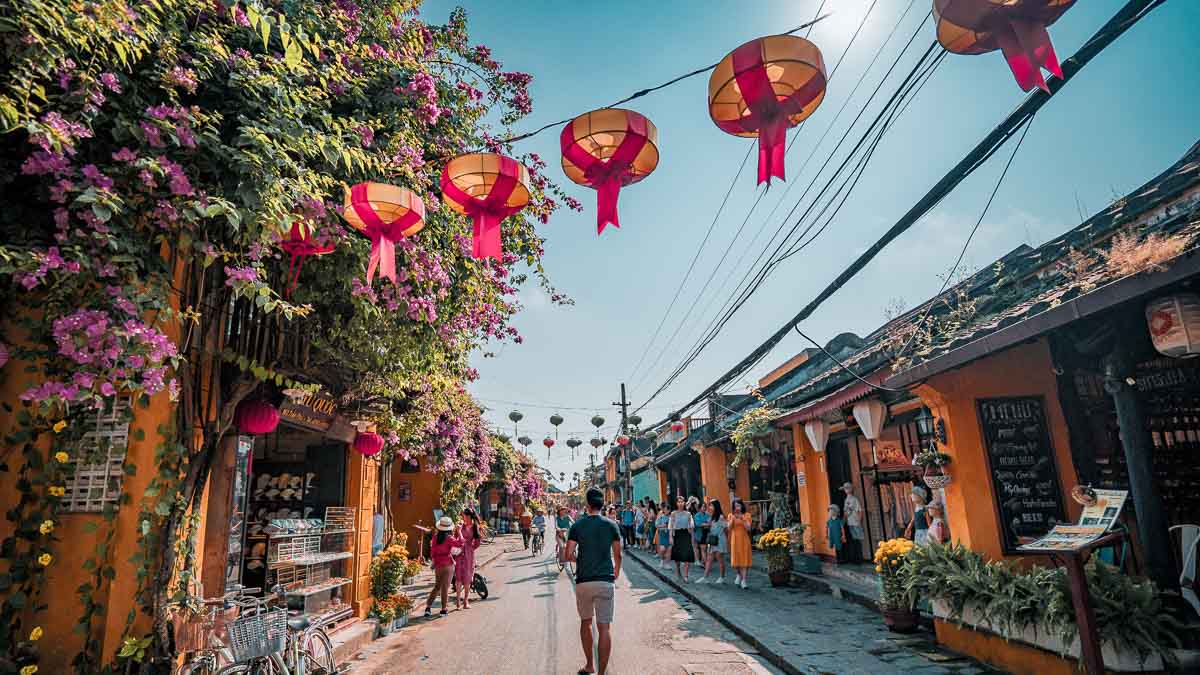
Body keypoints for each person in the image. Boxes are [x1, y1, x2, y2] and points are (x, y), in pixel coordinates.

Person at [566, 487, 621, 675]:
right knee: (604, 627)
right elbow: (618, 554)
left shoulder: (577, 526)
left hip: (583, 581)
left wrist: (579, 560)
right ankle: (601, 673)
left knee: (586, 622)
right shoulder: (612, 525)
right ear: (602, 504)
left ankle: (590, 664)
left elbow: (567, 554)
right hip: (605, 580)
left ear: (587, 505)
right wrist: (616, 571)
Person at [424, 516, 461, 617]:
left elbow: (432, 553)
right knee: (445, 588)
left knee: (437, 587)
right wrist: (459, 532)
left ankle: (428, 608)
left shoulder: (435, 538)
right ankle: (444, 609)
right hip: (448, 564)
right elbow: (460, 543)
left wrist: (434, 562)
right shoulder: (449, 538)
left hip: (438, 564)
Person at [454, 508, 483, 609]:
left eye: (464, 516)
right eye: (463, 516)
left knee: (467, 579)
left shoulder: (475, 527)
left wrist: (470, 548)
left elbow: (478, 542)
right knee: (458, 578)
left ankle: (466, 601)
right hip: (459, 555)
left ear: (469, 516)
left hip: (469, 556)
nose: (463, 518)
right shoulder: (461, 526)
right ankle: (458, 601)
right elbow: (456, 539)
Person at [696, 499, 727, 584]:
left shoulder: (720, 517)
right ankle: (705, 577)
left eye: (711, 505)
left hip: (720, 540)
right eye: (709, 505)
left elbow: (726, 526)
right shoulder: (711, 516)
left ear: (715, 506)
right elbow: (709, 526)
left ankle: (722, 577)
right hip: (713, 540)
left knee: (720, 559)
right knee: (709, 559)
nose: (709, 507)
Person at [669, 495, 696, 582]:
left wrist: (692, 538)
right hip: (677, 534)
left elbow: (691, 527)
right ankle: (678, 571)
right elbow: (671, 526)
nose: (680, 503)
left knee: (687, 555)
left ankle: (686, 576)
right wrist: (671, 537)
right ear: (676, 503)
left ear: (684, 503)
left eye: (682, 502)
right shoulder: (673, 513)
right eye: (679, 502)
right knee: (677, 556)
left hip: (686, 534)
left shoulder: (688, 514)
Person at [728, 498, 753, 589]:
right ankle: (738, 574)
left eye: (739, 505)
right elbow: (729, 528)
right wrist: (734, 517)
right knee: (736, 560)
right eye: (735, 506)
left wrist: (742, 518)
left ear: (742, 505)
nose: (737, 507)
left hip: (744, 539)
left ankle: (744, 580)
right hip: (735, 539)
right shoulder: (731, 515)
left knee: (744, 559)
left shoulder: (747, 515)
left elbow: (748, 528)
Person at [841, 482, 864, 563]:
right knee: (854, 539)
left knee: (857, 540)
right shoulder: (847, 499)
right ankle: (855, 558)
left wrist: (843, 521)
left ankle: (858, 558)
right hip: (851, 522)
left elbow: (849, 511)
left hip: (855, 522)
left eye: (847, 488)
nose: (846, 490)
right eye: (845, 488)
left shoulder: (853, 499)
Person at [692, 498, 711, 563]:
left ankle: (703, 561)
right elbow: (698, 524)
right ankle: (704, 562)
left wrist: (705, 524)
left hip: (706, 533)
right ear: (700, 508)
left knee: (704, 549)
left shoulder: (708, 514)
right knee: (702, 548)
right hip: (698, 534)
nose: (704, 508)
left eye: (705, 506)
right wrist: (706, 524)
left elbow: (710, 523)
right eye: (703, 507)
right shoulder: (697, 515)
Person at [655, 502, 671, 567]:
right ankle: (662, 560)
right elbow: (656, 525)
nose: (667, 511)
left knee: (669, 549)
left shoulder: (671, 517)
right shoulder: (660, 517)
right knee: (662, 549)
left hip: (669, 534)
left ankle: (667, 563)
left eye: (668, 510)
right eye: (666, 509)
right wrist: (663, 526)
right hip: (662, 534)